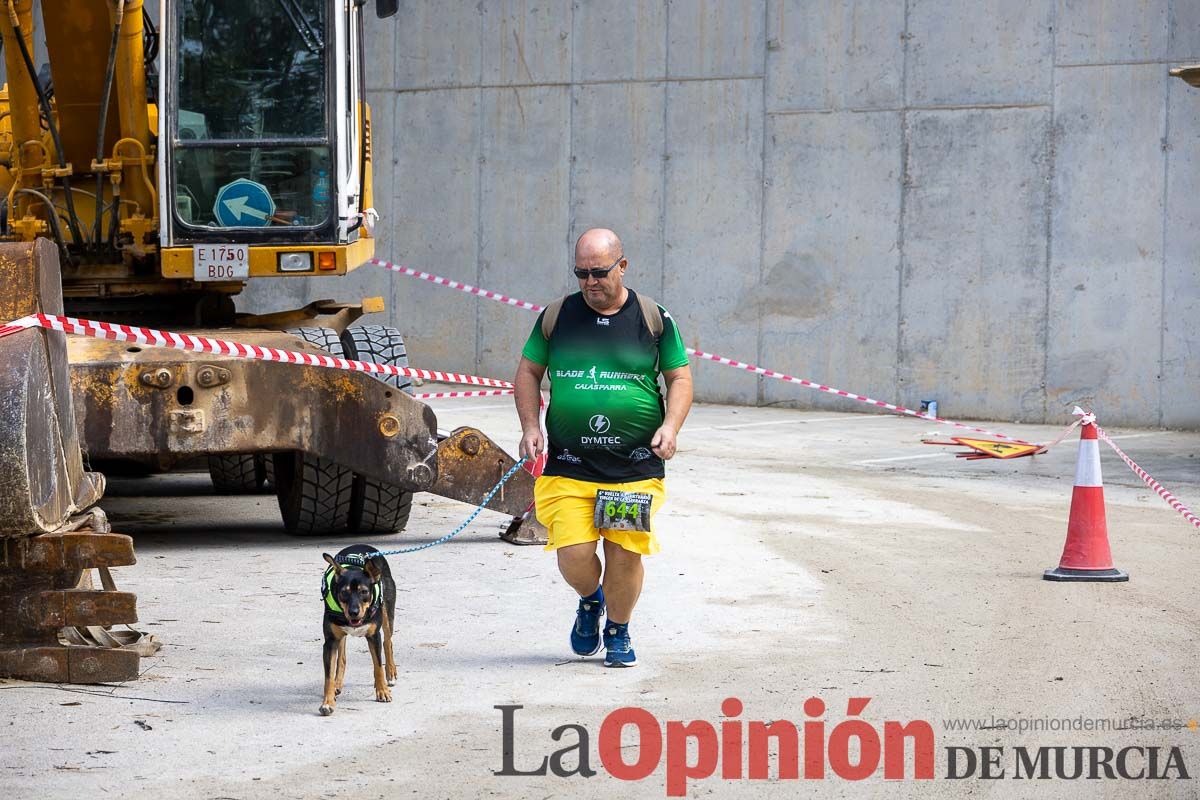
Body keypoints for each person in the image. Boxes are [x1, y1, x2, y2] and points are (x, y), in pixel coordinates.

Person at [514, 228, 693, 667]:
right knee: (573, 556)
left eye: (599, 272)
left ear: (622, 266)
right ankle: (590, 600)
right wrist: (530, 426)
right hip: (570, 466)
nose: (591, 281)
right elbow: (527, 372)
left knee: (624, 554)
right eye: (582, 273)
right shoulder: (557, 316)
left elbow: (680, 379)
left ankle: (618, 629)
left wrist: (670, 427)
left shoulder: (653, 318)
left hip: (633, 467)